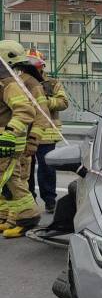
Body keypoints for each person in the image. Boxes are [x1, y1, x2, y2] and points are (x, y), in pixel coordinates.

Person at [0, 40, 47, 238]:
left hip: (9, 141)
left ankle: (27, 217)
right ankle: (8, 216)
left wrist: (15, 135)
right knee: (7, 182)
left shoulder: (12, 84)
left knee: (12, 182)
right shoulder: (10, 82)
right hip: (8, 140)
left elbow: (29, 112)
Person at [26, 56, 69, 213]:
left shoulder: (52, 83)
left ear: (41, 67)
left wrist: (45, 101)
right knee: (26, 170)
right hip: (27, 132)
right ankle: (29, 200)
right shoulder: (21, 82)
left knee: (47, 168)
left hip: (47, 134)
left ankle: (50, 200)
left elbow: (64, 102)